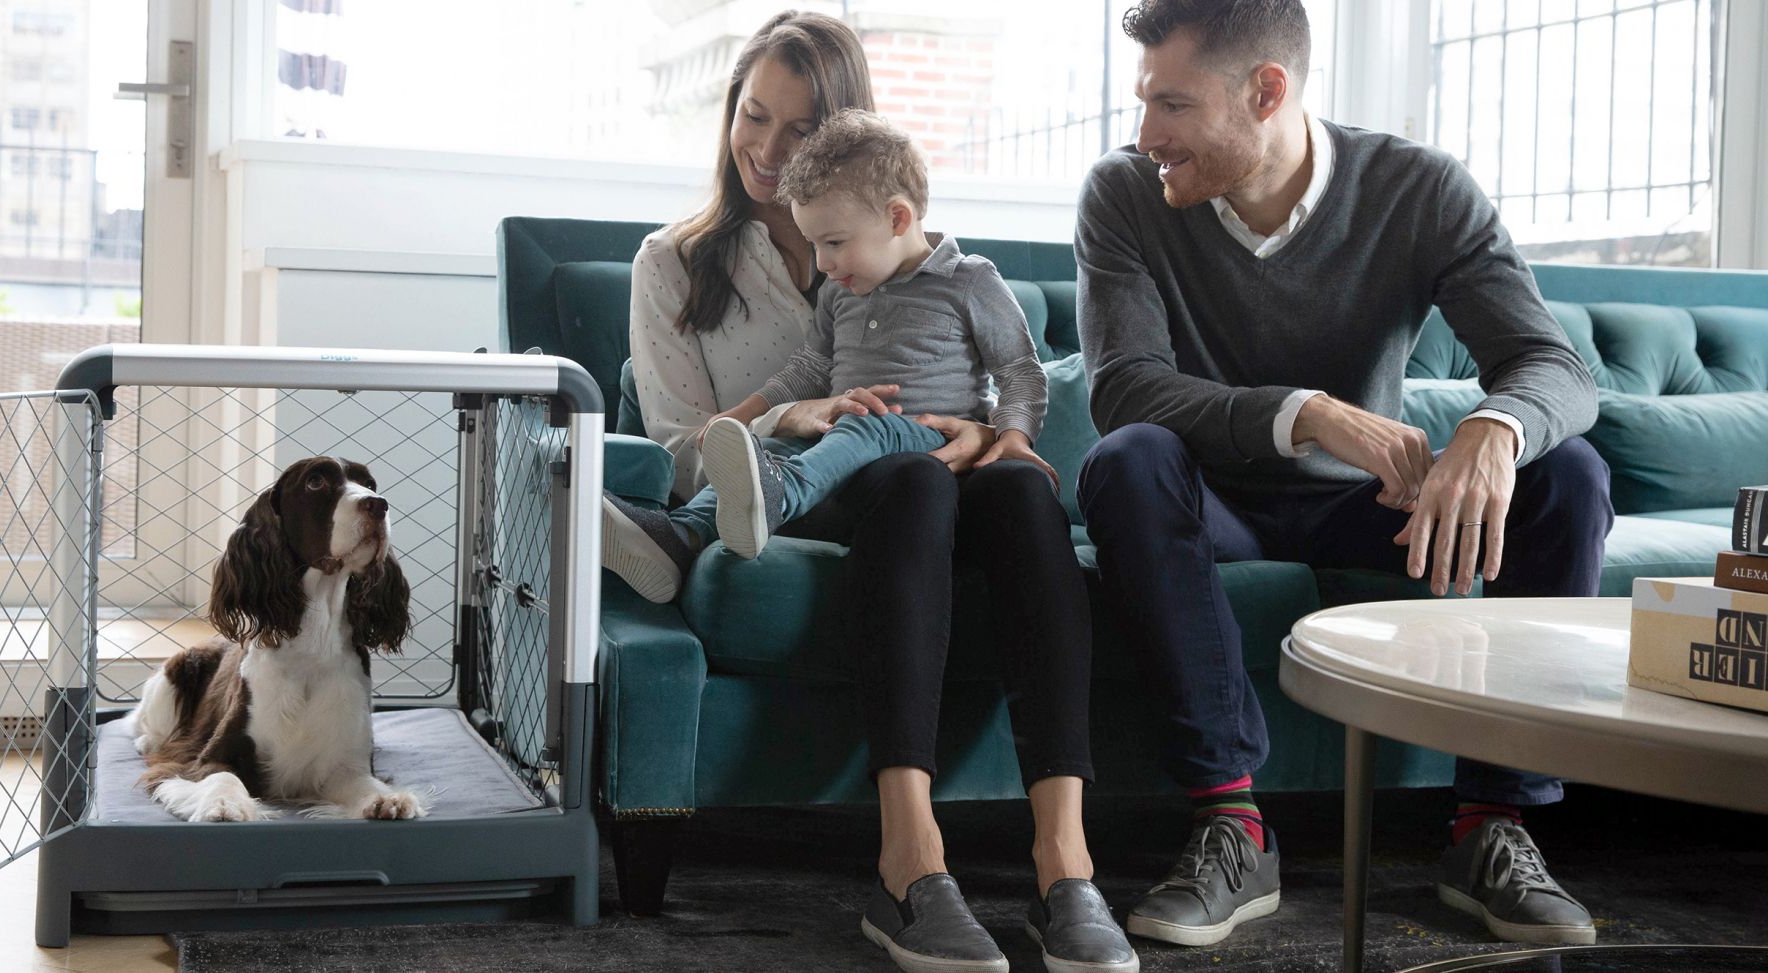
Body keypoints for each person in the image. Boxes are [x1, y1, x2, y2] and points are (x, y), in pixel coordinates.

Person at [1073, 0, 1611, 950]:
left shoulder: (1419, 188)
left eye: (1172, 104)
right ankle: (1230, 826)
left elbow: (1555, 367)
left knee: (1567, 475)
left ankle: (1494, 827)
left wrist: (1493, 427)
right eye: (1144, 102)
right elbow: (1126, 388)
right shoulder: (1124, 195)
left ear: (1266, 91)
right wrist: (1306, 412)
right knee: (1129, 459)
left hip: (1375, 509)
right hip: (1208, 499)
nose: (1145, 133)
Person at [604, 12, 1135, 972]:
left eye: (799, 130)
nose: (766, 150)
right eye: (752, 115)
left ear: (847, 142)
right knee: (908, 485)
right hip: (838, 481)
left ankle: (1067, 865)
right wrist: (787, 420)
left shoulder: (907, 252)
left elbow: (1014, 366)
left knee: (1019, 495)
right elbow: (689, 438)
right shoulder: (674, 265)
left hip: (948, 463)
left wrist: (993, 434)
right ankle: (909, 860)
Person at [614, 108, 1054, 567]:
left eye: (835, 242)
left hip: (932, 446)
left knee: (868, 423)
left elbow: (1020, 369)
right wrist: (743, 415)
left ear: (897, 219)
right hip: (851, 444)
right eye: (814, 244)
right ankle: (680, 535)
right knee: (776, 449)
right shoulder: (843, 291)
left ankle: (780, 498)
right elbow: (810, 367)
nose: (822, 262)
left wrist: (1014, 436)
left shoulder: (969, 281)